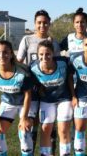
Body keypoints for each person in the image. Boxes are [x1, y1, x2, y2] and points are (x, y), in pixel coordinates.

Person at [59, 8, 87, 156]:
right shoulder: (69, 38)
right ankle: (77, 150)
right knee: (76, 119)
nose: (80, 25)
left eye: (82, 22)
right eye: (77, 22)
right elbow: (56, 51)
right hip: (73, 84)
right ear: (73, 24)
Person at [17, 9, 61, 154]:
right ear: (35, 24)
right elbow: (19, 63)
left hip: (49, 88)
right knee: (30, 122)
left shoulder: (53, 43)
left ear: (49, 24)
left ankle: (50, 153)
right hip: (32, 89)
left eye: (45, 23)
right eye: (39, 23)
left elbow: (57, 65)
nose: (42, 25)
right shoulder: (27, 40)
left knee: (49, 124)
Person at [0, 40, 34, 156]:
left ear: (11, 54)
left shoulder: (23, 71)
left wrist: (24, 118)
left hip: (25, 103)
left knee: (24, 132)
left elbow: (28, 95)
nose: (2, 55)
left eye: (5, 52)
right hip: (8, 103)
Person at [30, 40, 73, 156]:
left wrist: (74, 96)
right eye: (41, 54)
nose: (44, 57)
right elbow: (31, 82)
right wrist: (39, 88)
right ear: (37, 55)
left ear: (53, 53)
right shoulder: (33, 67)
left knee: (63, 129)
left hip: (64, 99)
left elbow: (70, 78)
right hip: (47, 101)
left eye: (48, 54)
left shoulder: (63, 62)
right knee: (45, 129)